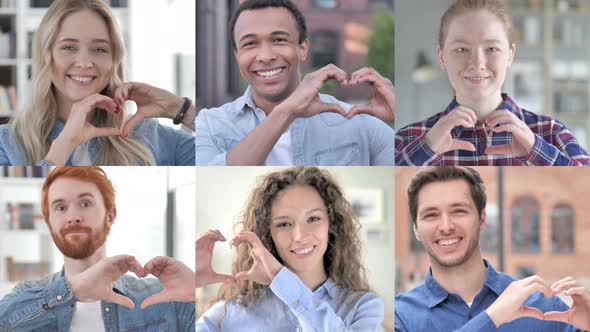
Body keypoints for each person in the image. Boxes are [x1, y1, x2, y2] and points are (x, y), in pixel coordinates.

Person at [196, 0, 395, 166]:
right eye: (250, 44)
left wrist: (398, 114)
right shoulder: (211, 125)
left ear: (303, 48)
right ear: (237, 56)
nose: (265, 56)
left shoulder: (356, 123)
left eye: (279, 40)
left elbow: (412, 167)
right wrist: (287, 111)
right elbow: (212, 180)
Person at [0, 0, 196, 166]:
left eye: (100, 49)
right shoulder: (6, 142)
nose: (85, 63)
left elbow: (224, 154)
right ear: (45, 55)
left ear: (114, 60)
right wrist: (64, 145)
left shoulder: (152, 136)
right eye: (68, 47)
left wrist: (180, 108)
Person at [395, 0, 590, 166]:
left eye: (492, 48)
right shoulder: (407, 138)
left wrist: (536, 149)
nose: (477, 63)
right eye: (461, 49)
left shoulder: (551, 133)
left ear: (510, 55)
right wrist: (425, 148)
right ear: (441, 56)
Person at [395, 166, 590, 331]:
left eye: (459, 211)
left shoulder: (543, 307)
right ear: (416, 229)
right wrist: (492, 318)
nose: (446, 226)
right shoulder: (401, 316)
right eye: (431, 215)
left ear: (482, 220)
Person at [0, 167, 195, 331]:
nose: (73, 216)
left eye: (85, 203)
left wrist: (197, 292)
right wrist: (73, 290)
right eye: (60, 207)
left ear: (110, 216)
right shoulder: (23, 297)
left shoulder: (162, 297)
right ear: (49, 223)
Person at [195, 167, 384, 330]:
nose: (300, 236)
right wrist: (190, 285)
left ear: (331, 225)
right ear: (268, 234)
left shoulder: (363, 307)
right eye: (284, 224)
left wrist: (281, 279)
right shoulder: (230, 311)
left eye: (313, 219)